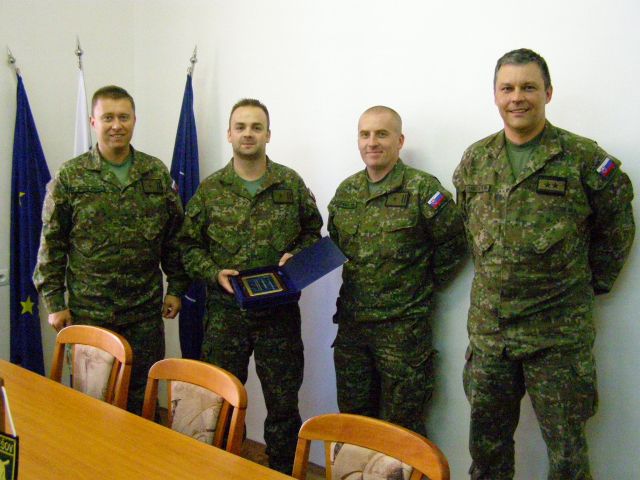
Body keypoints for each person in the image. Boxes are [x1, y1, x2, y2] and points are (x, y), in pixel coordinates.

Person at [453, 48, 635, 479]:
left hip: (557, 337)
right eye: (507, 88)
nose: (517, 97)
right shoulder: (476, 158)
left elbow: (617, 228)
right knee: (487, 452)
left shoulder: (583, 158)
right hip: (491, 335)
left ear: (548, 93)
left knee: (567, 457)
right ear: (495, 95)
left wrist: (587, 285)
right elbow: (467, 225)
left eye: (528, 87)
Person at [179, 98, 322, 473]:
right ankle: (223, 470)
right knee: (222, 403)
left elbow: (313, 232)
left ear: (268, 135)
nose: (248, 134)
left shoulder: (289, 183)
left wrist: (297, 255)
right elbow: (188, 246)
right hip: (226, 317)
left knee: (283, 407)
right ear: (229, 134)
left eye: (256, 127)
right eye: (240, 127)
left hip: (279, 317)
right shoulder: (211, 190)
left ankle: (281, 471)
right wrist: (213, 272)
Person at [33, 85, 189, 415]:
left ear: (134, 120)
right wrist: (55, 303)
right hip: (91, 312)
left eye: (123, 117)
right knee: (91, 401)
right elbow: (52, 244)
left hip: (143, 312)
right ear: (93, 122)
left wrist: (176, 288)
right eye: (107, 118)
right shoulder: (71, 176)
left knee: (142, 401)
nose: (116, 125)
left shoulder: (155, 173)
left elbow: (174, 238)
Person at [327, 106, 466, 436]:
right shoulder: (347, 192)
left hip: (403, 334)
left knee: (403, 431)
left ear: (400, 140)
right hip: (353, 331)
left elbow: (455, 242)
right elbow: (336, 243)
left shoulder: (422, 190)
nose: (372, 142)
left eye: (382, 134)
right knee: (354, 424)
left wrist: (420, 285)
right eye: (365, 134)